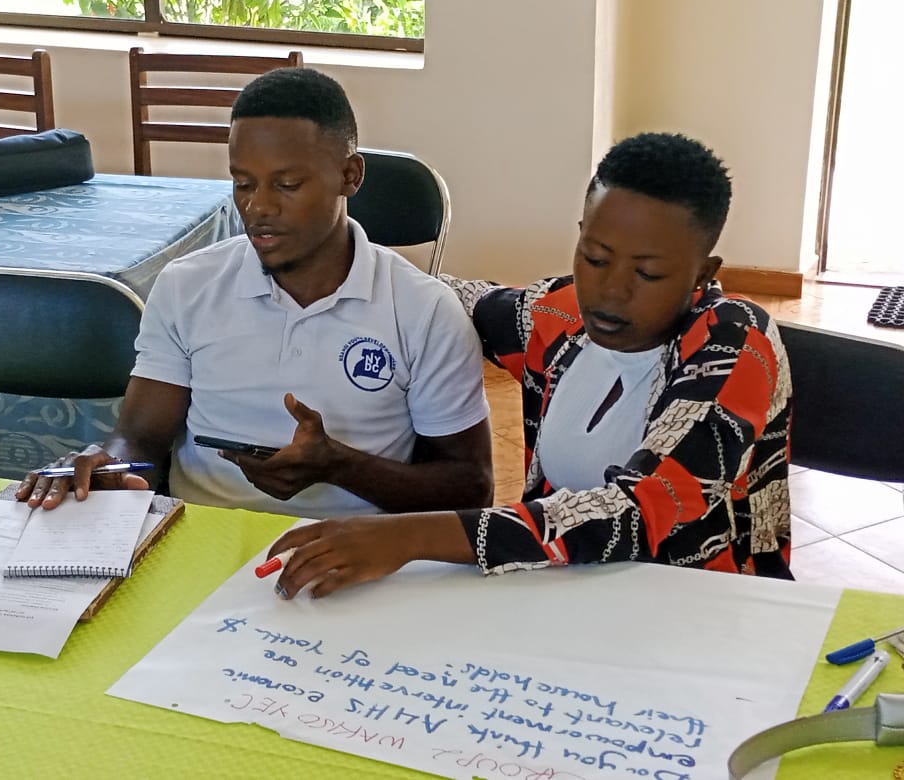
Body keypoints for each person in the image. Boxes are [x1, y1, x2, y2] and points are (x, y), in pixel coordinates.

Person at [265, 131, 793, 599]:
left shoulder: (733, 343)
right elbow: (443, 298)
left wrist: (410, 534)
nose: (610, 292)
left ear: (704, 273)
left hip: (704, 607)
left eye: (648, 274)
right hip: (558, 592)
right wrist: (336, 257)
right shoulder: (558, 316)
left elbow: (638, 513)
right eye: (595, 257)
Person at [16, 67, 493, 518]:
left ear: (350, 176)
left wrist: (341, 466)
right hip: (196, 538)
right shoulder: (189, 285)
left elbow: (470, 486)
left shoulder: (423, 311)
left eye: (287, 184)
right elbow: (140, 437)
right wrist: (108, 464)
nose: (258, 207)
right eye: (242, 183)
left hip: (357, 554)